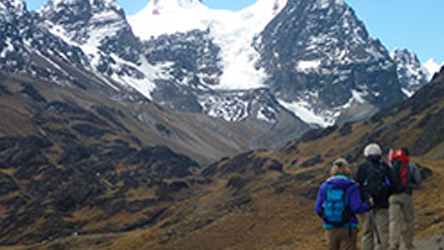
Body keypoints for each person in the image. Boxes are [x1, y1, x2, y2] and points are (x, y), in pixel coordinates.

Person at [316, 158, 374, 250]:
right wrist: (368, 204)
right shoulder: (351, 186)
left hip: (330, 228)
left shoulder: (325, 186)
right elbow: (356, 208)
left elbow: (318, 209)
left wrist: (328, 218)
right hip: (348, 227)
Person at [355, 143, 394, 250]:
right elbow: (393, 183)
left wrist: (366, 198)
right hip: (383, 204)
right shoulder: (384, 166)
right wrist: (387, 196)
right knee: (383, 231)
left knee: (368, 232)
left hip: (367, 204)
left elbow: (358, 184)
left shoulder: (362, 167)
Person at [387, 148, 421, 250]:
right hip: (406, 195)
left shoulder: (392, 166)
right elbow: (417, 179)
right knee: (409, 220)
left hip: (392, 196)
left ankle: (394, 244)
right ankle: (408, 244)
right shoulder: (410, 166)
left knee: (394, 221)